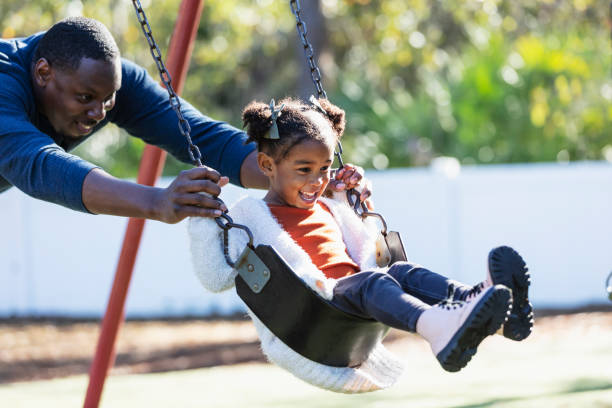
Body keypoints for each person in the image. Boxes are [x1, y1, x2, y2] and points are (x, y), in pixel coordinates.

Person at [189, 96, 533, 393]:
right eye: (304, 169)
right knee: (376, 281)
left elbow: (367, 246)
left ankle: (488, 308)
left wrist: (355, 198)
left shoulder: (328, 204)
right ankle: (438, 329)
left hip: (358, 297)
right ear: (267, 165)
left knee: (400, 271)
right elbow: (214, 276)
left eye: (324, 168)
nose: (316, 181)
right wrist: (202, 217)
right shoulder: (250, 214)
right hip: (313, 312)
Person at [0, 16, 273, 223]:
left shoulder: (103, 80)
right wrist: (157, 201)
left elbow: (199, 135)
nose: (99, 113)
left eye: (108, 99)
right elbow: (38, 164)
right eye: (84, 98)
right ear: (43, 72)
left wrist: (290, 171)